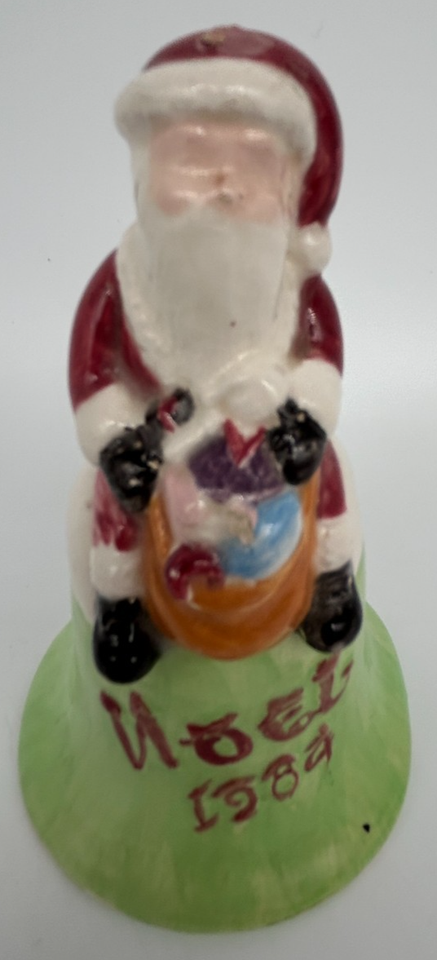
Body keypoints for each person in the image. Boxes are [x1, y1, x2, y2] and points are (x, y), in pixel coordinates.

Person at [68, 25, 363, 683]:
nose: (225, 187)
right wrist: (117, 440)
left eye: (254, 165)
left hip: (263, 431)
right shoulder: (122, 284)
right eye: (192, 160)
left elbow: (320, 355)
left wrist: (306, 418)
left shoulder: (292, 288)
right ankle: (122, 605)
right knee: (113, 502)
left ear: (290, 189)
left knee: (326, 474)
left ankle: (329, 578)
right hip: (165, 437)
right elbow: (94, 373)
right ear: (143, 175)